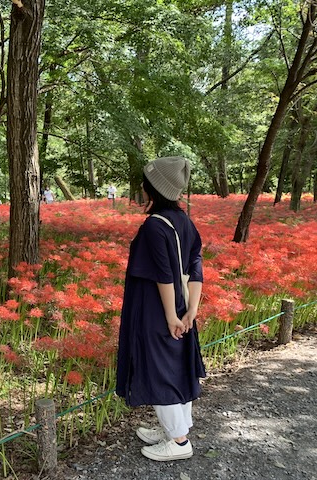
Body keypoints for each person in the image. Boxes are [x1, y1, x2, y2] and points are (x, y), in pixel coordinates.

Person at [115, 156, 205, 462]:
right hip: (182, 305)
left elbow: (163, 274)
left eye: (144, 182)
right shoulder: (184, 220)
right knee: (176, 365)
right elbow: (196, 265)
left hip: (158, 309)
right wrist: (191, 310)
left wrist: (170, 316)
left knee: (159, 368)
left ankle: (179, 442)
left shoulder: (154, 225)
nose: (141, 186)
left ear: (153, 188)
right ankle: (174, 429)